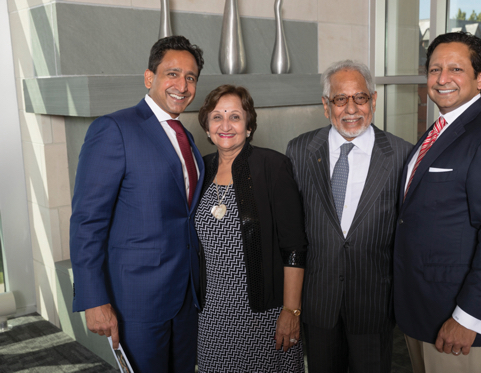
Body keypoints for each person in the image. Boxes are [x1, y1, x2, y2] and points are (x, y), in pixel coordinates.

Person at [393, 31, 481, 373]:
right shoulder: (438, 130)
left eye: (455, 69)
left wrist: (468, 317)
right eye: (435, 69)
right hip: (422, 310)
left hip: (457, 320)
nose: (442, 79)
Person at [70, 35, 205, 373]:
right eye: (172, 73)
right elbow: (88, 220)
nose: (182, 85)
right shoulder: (114, 129)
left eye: (190, 77)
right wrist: (94, 299)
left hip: (185, 297)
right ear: (150, 78)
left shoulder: (185, 136)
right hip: (137, 300)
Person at [286, 60, 412, 373]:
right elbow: (291, 230)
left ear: (373, 100)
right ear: (326, 105)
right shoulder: (300, 150)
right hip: (318, 302)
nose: (351, 108)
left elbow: (408, 235)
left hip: (373, 302)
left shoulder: (402, 155)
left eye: (360, 98)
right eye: (341, 99)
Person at [195, 85, 307, 372]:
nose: (225, 125)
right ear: (207, 127)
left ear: (248, 126)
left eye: (235, 116)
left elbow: (293, 246)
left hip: (262, 312)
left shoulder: (273, 166)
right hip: (212, 313)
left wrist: (291, 311)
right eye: (217, 116)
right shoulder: (200, 170)